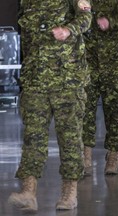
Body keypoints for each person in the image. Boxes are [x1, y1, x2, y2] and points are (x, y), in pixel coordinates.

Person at [8, 0, 92, 211]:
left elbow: (86, 18)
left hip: (67, 79)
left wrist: (68, 30)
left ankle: (70, 192)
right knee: (32, 137)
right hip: (36, 80)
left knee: (70, 137)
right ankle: (29, 192)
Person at [82, 0, 118, 175]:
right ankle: (86, 156)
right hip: (91, 62)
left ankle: (113, 155)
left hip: (116, 64)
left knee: (116, 112)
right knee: (85, 110)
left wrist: (106, 20)